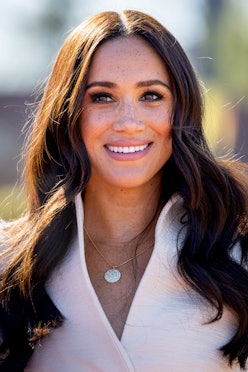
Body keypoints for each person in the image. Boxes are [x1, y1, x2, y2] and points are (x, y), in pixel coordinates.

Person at [0, 9, 247, 372]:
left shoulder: (237, 260)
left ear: (180, 111)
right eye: (102, 97)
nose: (129, 122)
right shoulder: (8, 264)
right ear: (68, 114)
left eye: (151, 96)